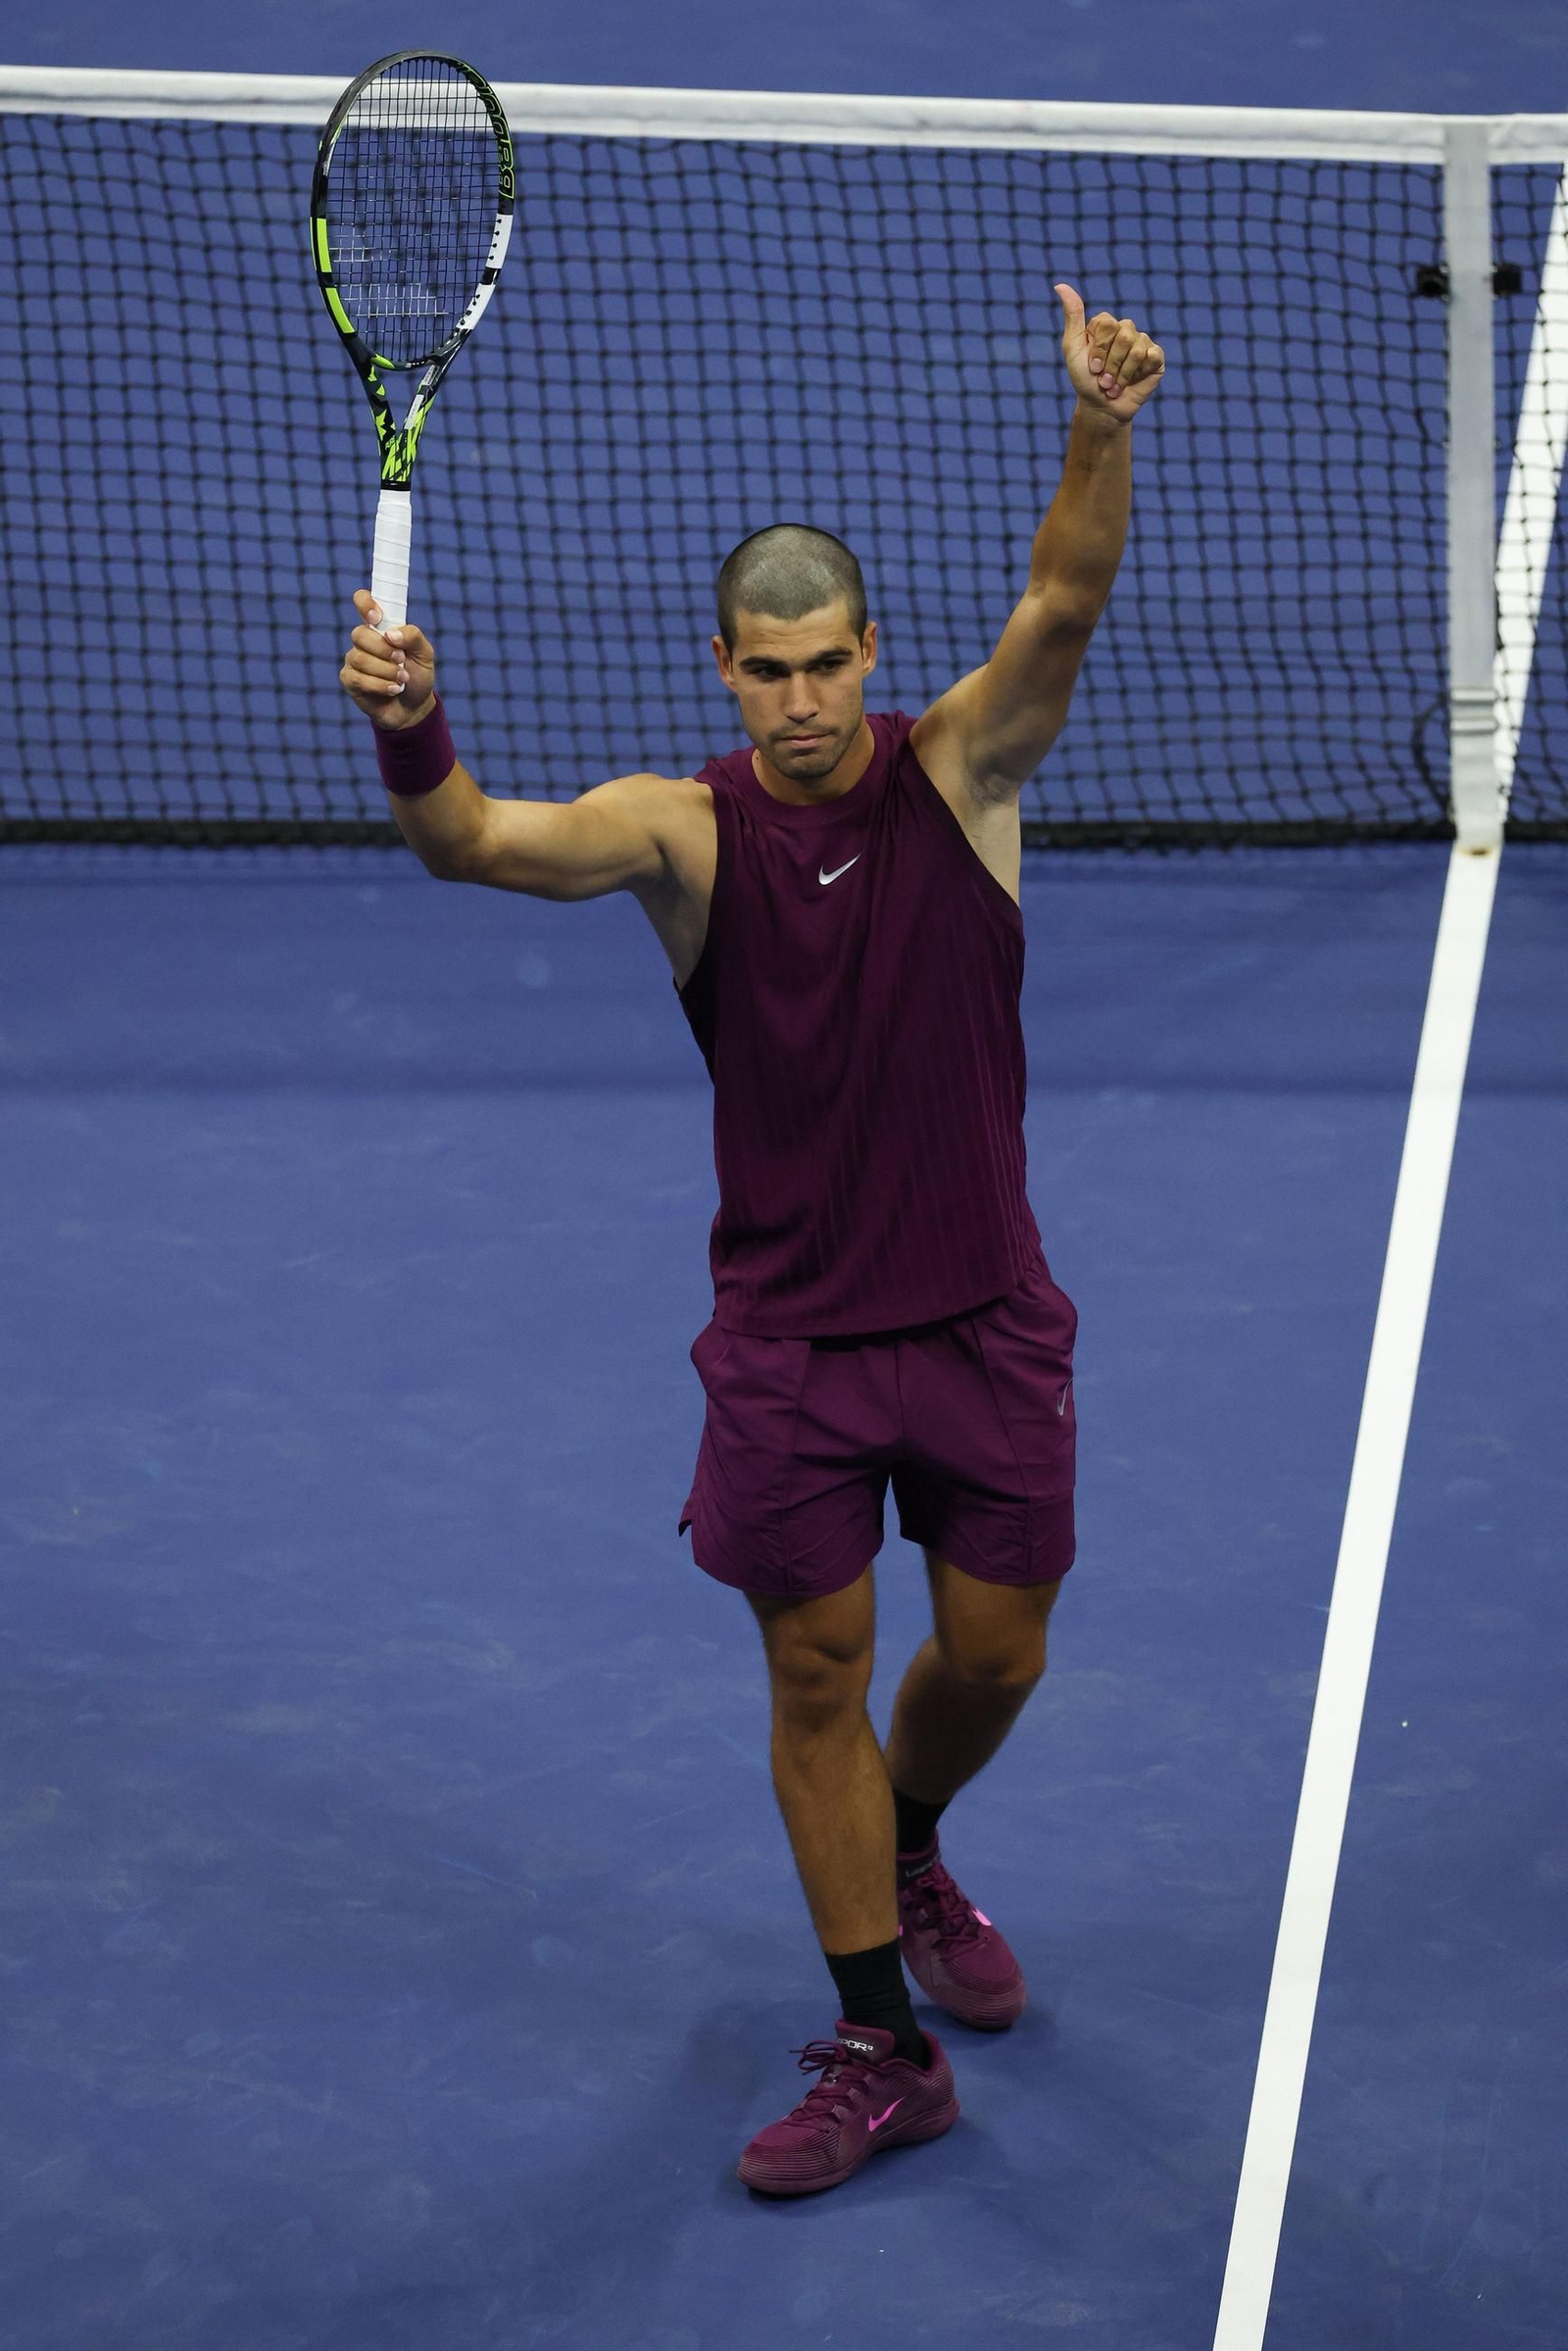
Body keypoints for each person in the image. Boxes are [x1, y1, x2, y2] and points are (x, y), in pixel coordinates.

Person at [340, 283, 1164, 2197]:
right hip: (789, 1343)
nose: (800, 703)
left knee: (991, 1655)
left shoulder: (957, 772)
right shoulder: (681, 832)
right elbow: (473, 843)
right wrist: (412, 730)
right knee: (812, 1677)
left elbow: (1057, 606)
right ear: (719, 667)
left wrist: (1100, 425)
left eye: (826, 666)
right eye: (764, 671)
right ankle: (879, 2041)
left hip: (978, 1321)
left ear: (869, 653)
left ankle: (917, 1836)